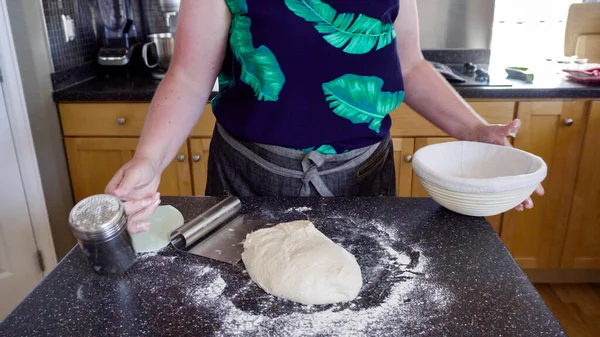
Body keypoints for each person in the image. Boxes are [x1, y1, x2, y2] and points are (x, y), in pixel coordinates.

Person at [105, 0, 544, 233]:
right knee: (242, 297)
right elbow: (187, 77)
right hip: (249, 174)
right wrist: (149, 160)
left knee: (364, 296)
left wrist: (475, 130)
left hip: (363, 173)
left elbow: (409, 65)